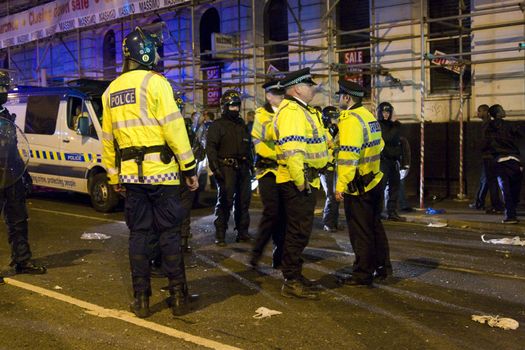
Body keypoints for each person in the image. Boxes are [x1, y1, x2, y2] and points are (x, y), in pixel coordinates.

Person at [101, 27, 198, 318]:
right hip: (163, 174)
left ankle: (141, 299)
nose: (157, 55)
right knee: (169, 234)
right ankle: (178, 296)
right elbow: (174, 127)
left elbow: (108, 140)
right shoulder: (156, 83)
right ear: (145, 53)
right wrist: (189, 166)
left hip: (131, 176)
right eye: (155, 50)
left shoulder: (111, 91)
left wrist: (114, 176)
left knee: (139, 235)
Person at [273, 67, 329, 299]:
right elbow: (293, 150)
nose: (312, 88)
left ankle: (295, 274)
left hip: (307, 179)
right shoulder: (293, 112)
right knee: (297, 232)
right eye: (309, 85)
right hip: (298, 181)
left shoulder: (302, 110)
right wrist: (300, 181)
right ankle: (291, 279)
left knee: (299, 231)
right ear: (297, 89)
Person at [334, 80, 391, 286]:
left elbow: (349, 156)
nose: (338, 99)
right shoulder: (368, 116)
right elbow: (380, 145)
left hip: (358, 186)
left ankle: (362, 274)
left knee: (360, 232)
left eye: (340, 95)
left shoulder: (350, 120)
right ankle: (383, 267)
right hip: (374, 180)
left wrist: (341, 185)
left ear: (347, 98)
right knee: (375, 227)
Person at [0, 70, 47, 280]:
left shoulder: (4, 115)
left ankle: (22, 259)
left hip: (10, 175)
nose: (4, 92)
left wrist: (23, 173)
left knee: (18, 219)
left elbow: (12, 147)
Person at [206, 90, 252, 246]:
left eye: (237, 106)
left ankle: (242, 231)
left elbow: (249, 147)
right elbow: (211, 148)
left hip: (243, 167)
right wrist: (215, 168)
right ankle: (220, 233)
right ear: (224, 107)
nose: (235, 109)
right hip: (226, 167)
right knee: (225, 201)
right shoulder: (217, 125)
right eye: (231, 106)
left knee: (243, 201)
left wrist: (251, 166)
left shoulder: (242, 125)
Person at [250, 80, 286, 269]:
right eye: (277, 95)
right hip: (267, 170)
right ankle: (256, 253)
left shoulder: (286, 112)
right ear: (268, 96)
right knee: (271, 212)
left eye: (282, 94)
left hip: (284, 169)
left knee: (284, 215)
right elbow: (271, 134)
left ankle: (278, 256)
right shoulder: (261, 115)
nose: (281, 97)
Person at [485, 104, 522, 224]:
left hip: (499, 161)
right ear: (499, 113)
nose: (504, 111)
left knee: (505, 190)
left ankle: (510, 215)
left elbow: (485, 145)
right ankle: (512, 210)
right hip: (514, 160)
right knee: (514, 189)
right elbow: (520, 136)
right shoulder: (511, 125)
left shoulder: (488, 128)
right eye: (502, 110)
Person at [469, 104, 503, 212]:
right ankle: (480, 202)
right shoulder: (491, 124)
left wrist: (476, 145)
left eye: (479, 111)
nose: (477, 114)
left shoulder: (487, 125)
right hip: (493, 155)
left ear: (484, 112)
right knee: (487, 180)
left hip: (489, 156)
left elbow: (485, 141)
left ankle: (482, 202)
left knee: (487, 180)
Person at [377, 102, 404, 221]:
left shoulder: (393, 125)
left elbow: (398, 139)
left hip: (393, 160)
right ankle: (377, 212)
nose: (386, 114)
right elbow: (387, 138)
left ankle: (392, 211)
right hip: (383, 161)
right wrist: (396, 125)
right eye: (383, 112)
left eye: (388, 112)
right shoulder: (379, 125)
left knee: (394, 187)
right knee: (381, 187)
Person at [320, 106, 340, 232]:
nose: (336, 120)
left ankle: (334, 222)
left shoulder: (334, 130)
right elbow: (326, 147)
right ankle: (328, 222)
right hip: (325, 167)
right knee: (330, 196)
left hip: (335, 166)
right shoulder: (322, 132)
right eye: (333, 118)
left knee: (337, 195)